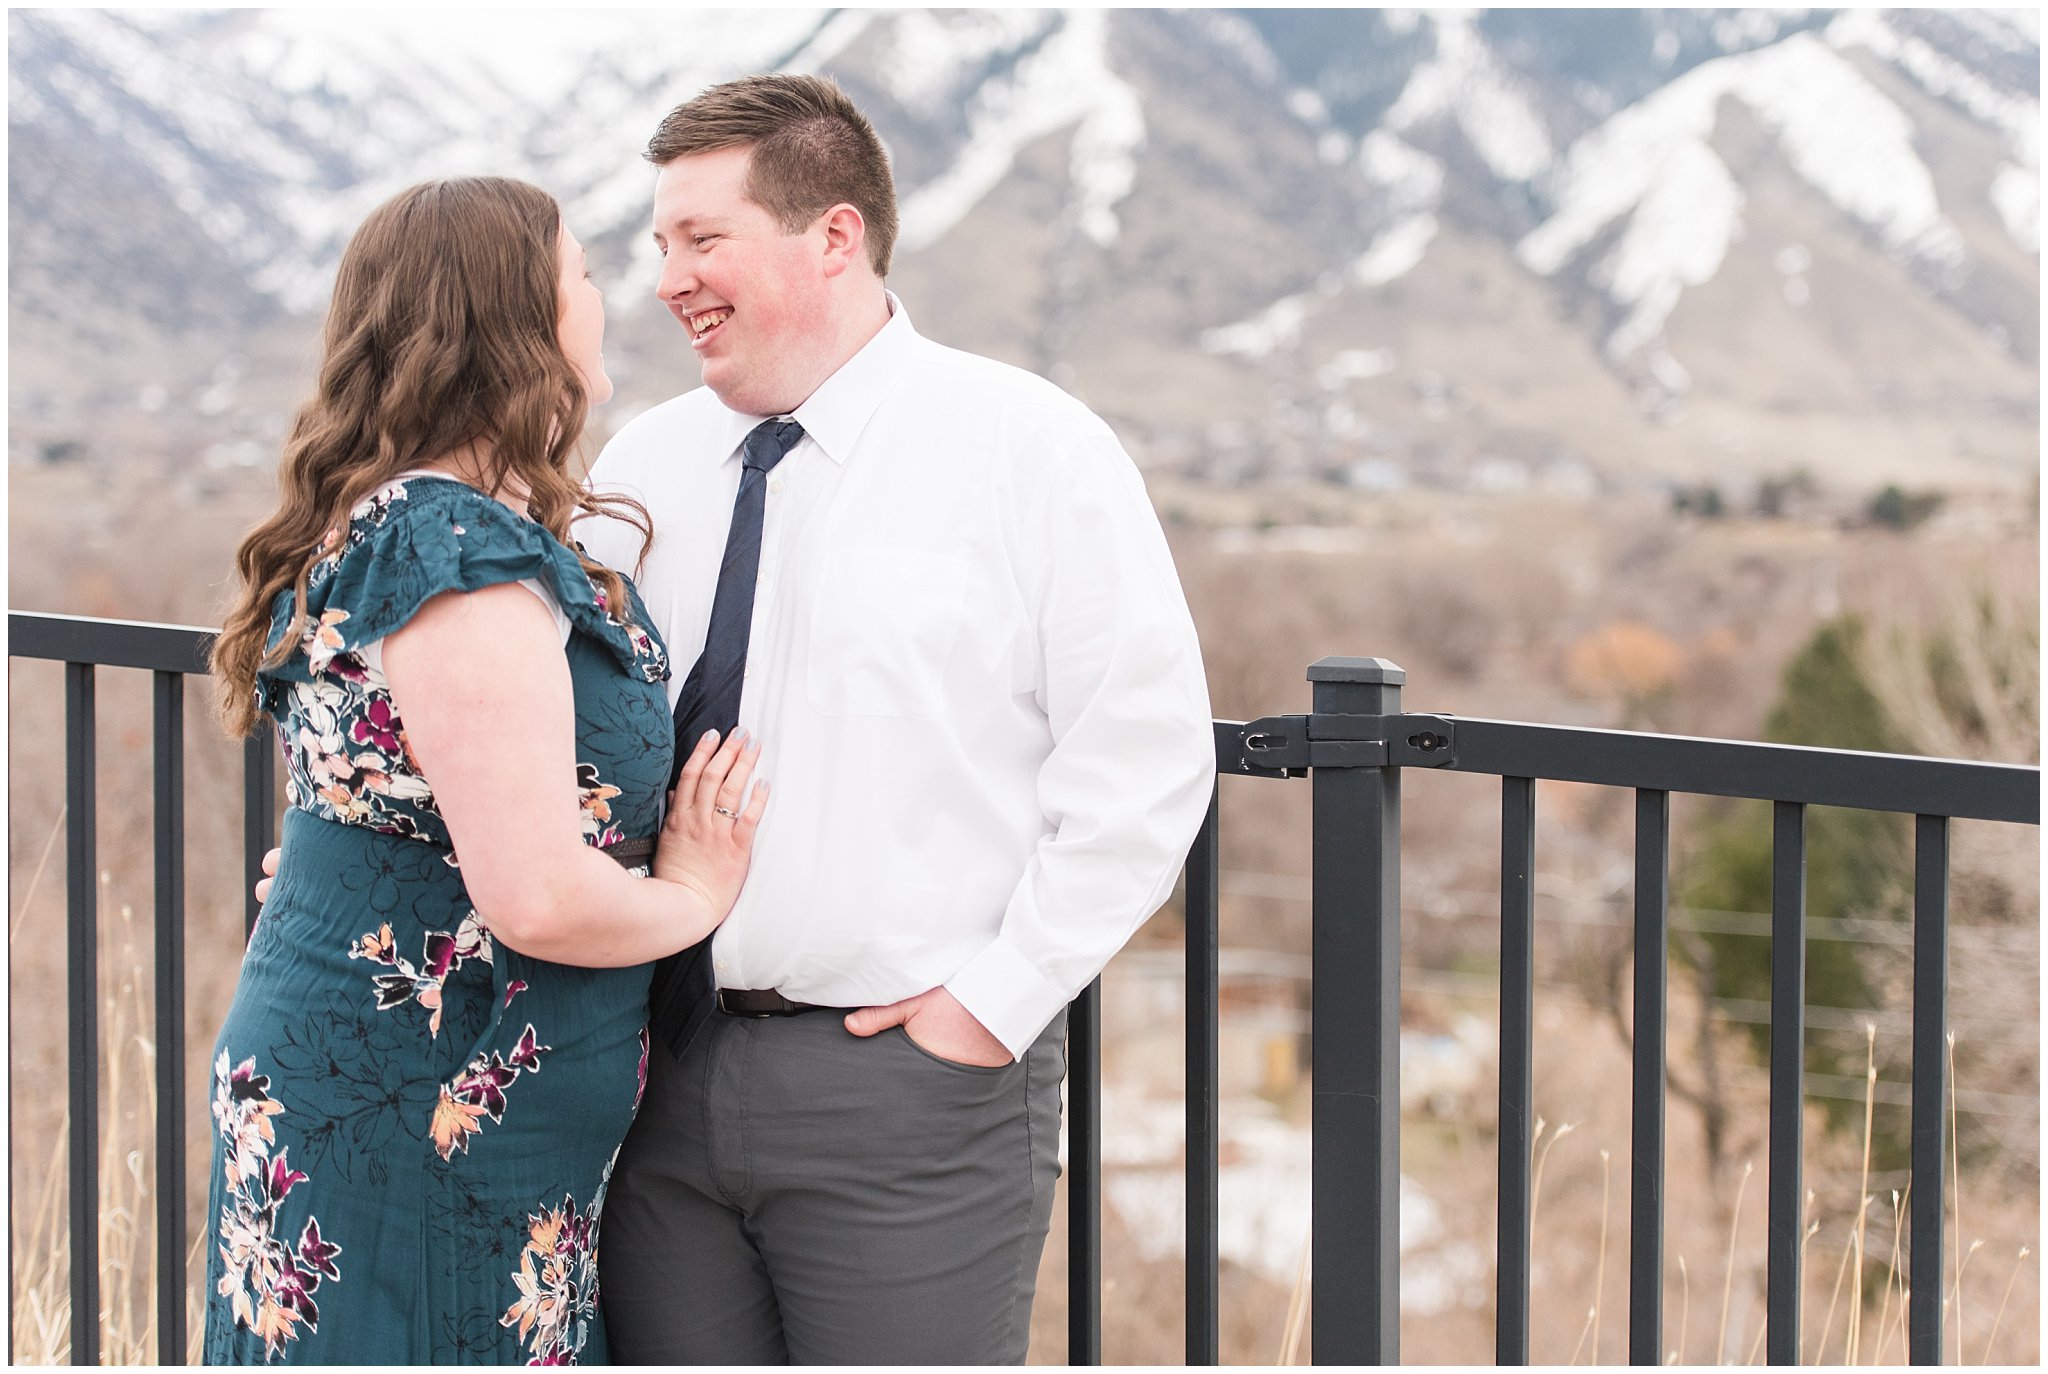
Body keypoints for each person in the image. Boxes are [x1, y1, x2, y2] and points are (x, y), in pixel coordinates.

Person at [578, 74, 1216, 1364]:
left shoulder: (1030, 448)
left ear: (833, 236)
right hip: (647, 1071)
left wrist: (989, 1006)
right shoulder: (638, 467)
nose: (666, 278)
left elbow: (1143, 763)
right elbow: (550, 730)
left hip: (907, 1093)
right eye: (659, 246)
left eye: (702, 239)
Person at [205, 176, 766, 1364]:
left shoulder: (432, 522)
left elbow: (404, 800)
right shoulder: (451, 544)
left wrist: (337, 877)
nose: (611, 299)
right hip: (414, 1109)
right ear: (516, 320)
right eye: (584, 276)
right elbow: (538, 894)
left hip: (432, 1092)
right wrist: (697, 896)